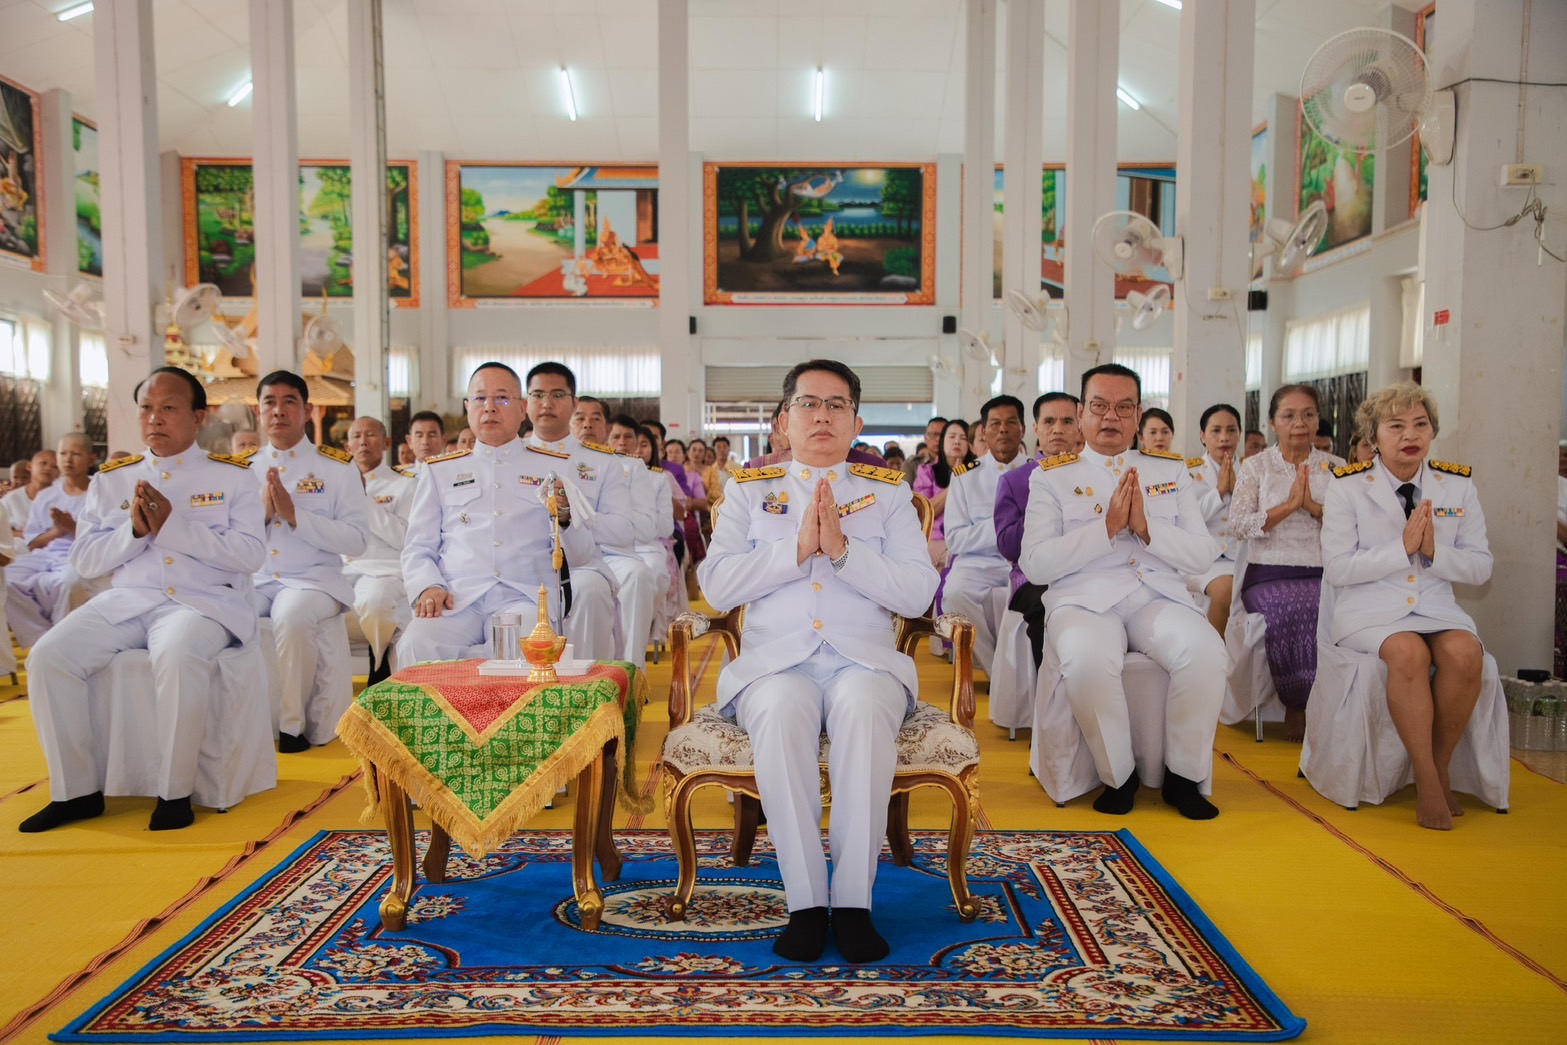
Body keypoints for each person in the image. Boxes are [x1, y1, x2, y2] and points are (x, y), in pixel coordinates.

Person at [699, 359, 939, 963]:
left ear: (856, 421)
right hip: (775, 663)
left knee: (861, 709)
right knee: (781, 711)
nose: (822, 415)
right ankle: (806, 902)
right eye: (808, 403)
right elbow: (718, 587)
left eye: (836, 404)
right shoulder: (749, 492)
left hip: (865, 662)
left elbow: (916, 593)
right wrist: (797, 548)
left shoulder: (888, 496)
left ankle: (854, 903)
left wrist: (843, 551)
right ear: (784, 420)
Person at [20, 368, 265, 833]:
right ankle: (76, 791)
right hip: (128, 600)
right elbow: (88, 559)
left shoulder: (233, 478)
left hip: (203, 603)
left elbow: (250, 555)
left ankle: (173, 793)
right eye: (147, 408)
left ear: (199, 417)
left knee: (175, 653)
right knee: (49, 657)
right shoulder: (113, 479)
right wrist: (134, 531)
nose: (155, 418)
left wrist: (173, 527)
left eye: (168, 407)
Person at [1020, 363, 1224, 820]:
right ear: (1080, 414)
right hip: (1084, 598)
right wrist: (1107, 529)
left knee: (1207, 652)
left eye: (1123, 407)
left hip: (1156, 595)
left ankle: (1184, 776)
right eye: (1099, 406)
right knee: (1086, 660)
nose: (1110, 417)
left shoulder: (1170, 470)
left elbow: (1203, 555)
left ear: (1138, 415)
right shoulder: (1051, 477)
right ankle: (1119, 775)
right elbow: (1034, 562)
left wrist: (1148, 530)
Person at [1321, 382, 1491, 831]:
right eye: (1396, 425)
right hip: (1369, 610)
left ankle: (1434, 767)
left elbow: (1481, 568)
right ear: (1373, 436)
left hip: (1436, 606)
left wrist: (1435, 553)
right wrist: (1402, 550)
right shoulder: (1348, 488)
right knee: (1408, 653)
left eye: (1420, 424)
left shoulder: (1457, 486)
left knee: (1465, 654)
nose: (1410, 434)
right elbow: (1338, 568)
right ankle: (1431, 782)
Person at [398, 362, 621, 665]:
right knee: (416, 643)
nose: (489, 408)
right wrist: (428, 585)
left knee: (519, 651)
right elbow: (418, 547)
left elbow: (581, 555)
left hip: (524, 597)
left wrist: (566, 518)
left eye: (502, 399)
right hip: (457, 598)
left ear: (522, 409)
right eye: (480, 399)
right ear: (467, 408)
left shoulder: (554, 467)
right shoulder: (440, 471)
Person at [251, 370, 370, 752]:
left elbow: (357, 539)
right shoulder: (240, 469)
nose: (279, 411)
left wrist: (296, 516)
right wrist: (265, 516)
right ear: (259, 411)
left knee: (293, 617)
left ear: (308, 411)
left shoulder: (337, 467)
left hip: (315, 580)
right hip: (257, 578)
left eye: (289, 402)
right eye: (270, 402)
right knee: (222, 611)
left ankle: (291, 726)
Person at [1229, 385, 1344, 741]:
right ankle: (1297, 705)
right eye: (1289, 415)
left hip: (1325, 570)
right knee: (1297, 606)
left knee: (1328, 603)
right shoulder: (1256, 467)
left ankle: (1331, 710)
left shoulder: (1336, 467)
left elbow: (1352, 526)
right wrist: (1288, 507)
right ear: (1272, 423)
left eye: (1308, 414)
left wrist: (1313, 509)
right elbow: (1238, 525)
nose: (1300, 423)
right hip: (1269, 572)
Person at [521, 364, 640, 661]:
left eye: (557, 395)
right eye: (538, 394)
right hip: (520, 569)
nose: (547, 403)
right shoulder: (512, 457)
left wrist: (575, 516)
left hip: (582, 566)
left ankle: (589, 698)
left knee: (589, 590)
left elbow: (624, 531)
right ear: (526, 403)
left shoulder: (601, 461)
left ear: (574, 403)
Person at [941, 395, 1030, 675]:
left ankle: (1025, 673)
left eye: (1011, 422)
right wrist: (1003, 528)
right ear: (984, 432)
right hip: (978, 562)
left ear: (1023, 429)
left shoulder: (1037, 472)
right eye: (995, 424)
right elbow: (954, 539)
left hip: (1026, 560)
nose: (1003, 429)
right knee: (954, 594)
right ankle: (1000, 672)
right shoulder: (965, 476)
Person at [569, 397, 660, 669]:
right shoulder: (552, 457)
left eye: (595, 418)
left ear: (606, 427)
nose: (587, 424)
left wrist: (588, 521)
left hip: (613, 553)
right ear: (569, 422)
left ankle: (632, 670)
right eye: (580, 418)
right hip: (572, 554)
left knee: (638, 575)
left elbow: (642, 527)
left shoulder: (629, 466)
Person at [994, 392, 1079, 667]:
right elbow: (1007, 545)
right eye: (1049, 421)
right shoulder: (1015, 480)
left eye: (1067, 421)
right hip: (1034, 577)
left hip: (1084, 570)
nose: (1058, 429)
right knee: (1047, 607)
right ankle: (1052, 699)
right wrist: (1042, 497)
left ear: (1079, 427)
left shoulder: (1093, 474)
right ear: (1036, 429)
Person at [5, 435, 97, 648]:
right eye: (63, 453)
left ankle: (62, 642)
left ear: (91, 459)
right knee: (5, 579)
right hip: (45, 555)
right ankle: (40, 639)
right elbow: (32, 542)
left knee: (69, 583)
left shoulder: (99, 492)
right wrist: (57, 530)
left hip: (81, 555)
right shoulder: (46, 495)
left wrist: (73, 528)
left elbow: (108, 537)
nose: (67, 460)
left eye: (76, 453)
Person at [344, 416, 414, 685]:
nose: (363, 442)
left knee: (375, 604)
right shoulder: (334, 485)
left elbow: (403, 537)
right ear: (348, 446)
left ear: (385, 443)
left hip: (383, 570)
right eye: (356, 436)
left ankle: (379, 661)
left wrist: (362, 501)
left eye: (370, 435)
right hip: (343, 569)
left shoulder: (405, 484)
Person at [1187, 404, 1244, 637]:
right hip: (1202, 560)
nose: (1224, 438)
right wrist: (1219, 492)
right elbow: (1187, 519)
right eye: (1216, 431)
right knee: (1224, 593)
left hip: (1241, 556)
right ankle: (1214, 653)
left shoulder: (1251, 470)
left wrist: (1238, 490)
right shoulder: (1187, 472)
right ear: (1202, 436)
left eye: (1231, 430)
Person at [912, 419, 974, 569]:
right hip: (935, 540)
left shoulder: (977, 472)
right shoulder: (926, 471)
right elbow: (924, 511)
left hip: (968, 540)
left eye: (963, 438)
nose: (957, 442)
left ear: (970, 444)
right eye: (952, 437)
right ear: (943, 442)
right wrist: (955, 482)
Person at [4, 449, 57, 535]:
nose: (48, 468)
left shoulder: (66, 496)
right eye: (43, 463)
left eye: (55, 467)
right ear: (30, 467)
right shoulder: (11, 499)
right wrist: (25, 534)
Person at [903, 416, 948, 483]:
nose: (938, 439)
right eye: (934, 434)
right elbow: (904, 491)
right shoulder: (912, 464)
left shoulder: (955, 463)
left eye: (942, 435)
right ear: (925, 438)